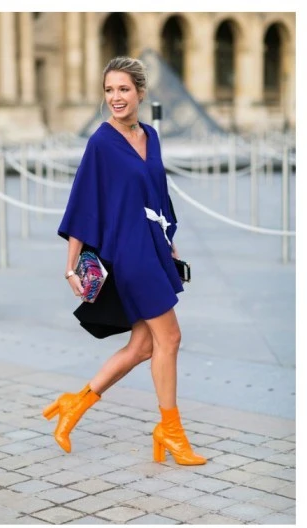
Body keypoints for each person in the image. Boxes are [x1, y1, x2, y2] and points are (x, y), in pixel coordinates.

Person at [44, 56, 205, 466]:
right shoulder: (101, 142)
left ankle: (72, 406)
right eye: (109, 90)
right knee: (169, 339)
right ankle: (170, 431)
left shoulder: (150, 135)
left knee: (143, 345)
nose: (115, 97)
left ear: (140, 92)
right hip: (129, 255)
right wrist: (70, 266)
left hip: (153, 248)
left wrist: (169, 242)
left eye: (123, 89)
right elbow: (83, 202)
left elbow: (158, 193)